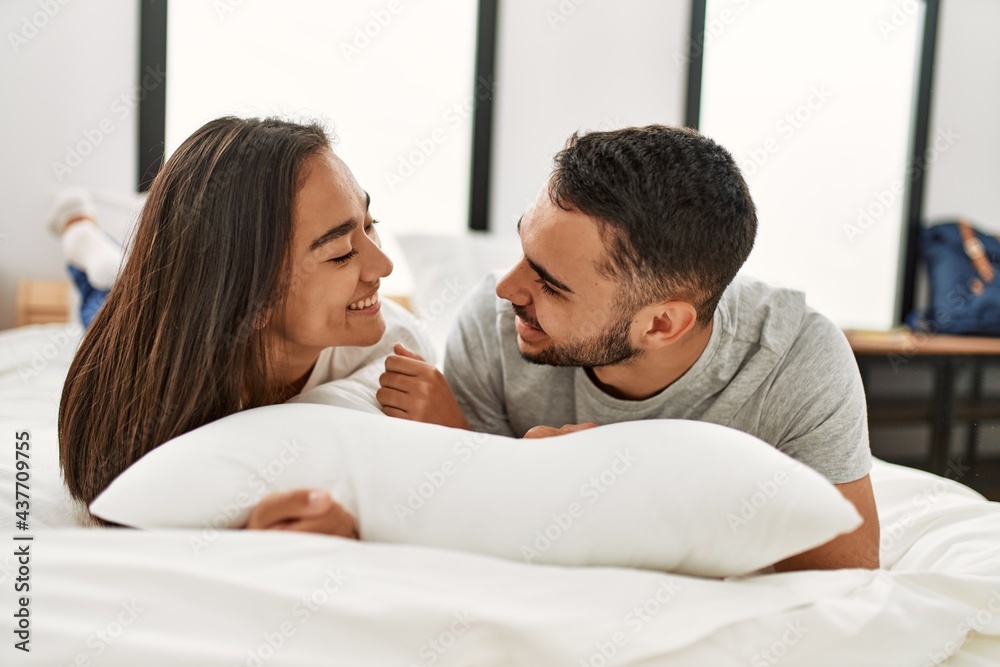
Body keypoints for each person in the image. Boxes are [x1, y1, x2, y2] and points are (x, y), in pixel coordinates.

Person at [375, 125, 880, 572]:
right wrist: (472, 448)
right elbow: (465, 538)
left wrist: (619, 492)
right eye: (524, 250)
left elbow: (847, 571)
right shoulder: (492, 326)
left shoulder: (796, 361)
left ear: (661, 324)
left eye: (550, 284)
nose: (507, 288)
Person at [57, 116, 432, 534]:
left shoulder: (397, 345)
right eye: (342, 252)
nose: (384, 266)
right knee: (100, 300)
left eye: (370, 224)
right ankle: (82, 239)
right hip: (151, 313)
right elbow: (112, 494)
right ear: (253, 300)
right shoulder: (150, 389)